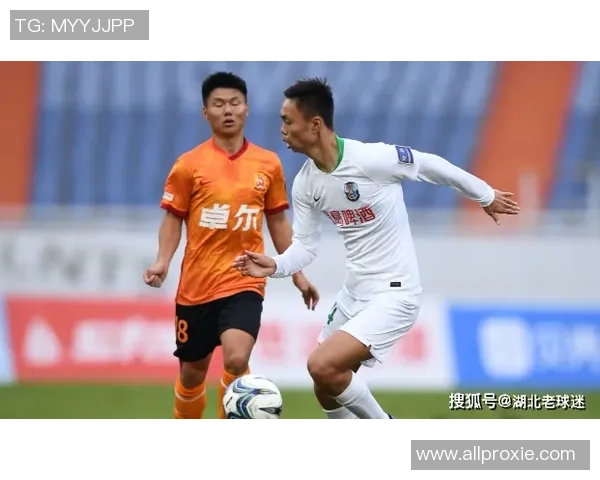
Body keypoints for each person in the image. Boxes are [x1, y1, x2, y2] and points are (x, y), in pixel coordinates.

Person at [233, 77, 520, 419]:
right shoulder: (306, 183)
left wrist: (485, 195)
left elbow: (428, 164)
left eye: (287, 120)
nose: (281, 129)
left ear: (315, 124)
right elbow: (306, 245)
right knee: (324, 383)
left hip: (395, 293)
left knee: (322, 365)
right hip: (355, 293)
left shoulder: (370, 158)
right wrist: (276, 265)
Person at [143, 72, 319, 420]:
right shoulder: (188, 165)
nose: (228, 110)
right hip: (196, 286)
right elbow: (173, 218)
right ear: (205, 112)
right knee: (192, 375)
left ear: (246, 109)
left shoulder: (268, 163)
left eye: (235, 103)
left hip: (245, 279)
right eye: (219, 104)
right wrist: (163, 261)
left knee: (237, 360)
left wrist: (297, 274)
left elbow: (278, 222)